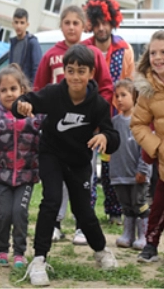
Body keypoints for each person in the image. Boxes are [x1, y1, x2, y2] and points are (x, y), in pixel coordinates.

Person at [14, 44, 119, 286]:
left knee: (83, 210)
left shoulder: (98, 105)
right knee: (51, 200)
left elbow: (113, 136)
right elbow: (23, 102)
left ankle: (101, 250)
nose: (75, 77)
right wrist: (22, 106)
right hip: (51, 154)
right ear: (64, 71)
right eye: (70, 70)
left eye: (81, 71)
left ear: (91, 73)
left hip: (79, 161)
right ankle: (39, 260)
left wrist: (104, 137)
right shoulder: (53, 94)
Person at [33, 5, 114, 245]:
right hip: (57, 130)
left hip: (84, 131)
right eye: (66, 22)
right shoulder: (50, 55)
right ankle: (56, 223)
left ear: (84, 26)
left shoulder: (94, 54)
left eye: (75, 23)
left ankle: (81, 225)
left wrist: (99, 120)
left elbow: (106, 88)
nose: (71, 27)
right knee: (55, 182)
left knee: (83, 178)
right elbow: (39, 89)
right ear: (61, 26)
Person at [82, 0, 133, 225]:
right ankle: (86, 210)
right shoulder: (84, 50)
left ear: (113, 22)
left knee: (112, 164)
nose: (102, 27)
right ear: (92, 23)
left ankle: (114, 211)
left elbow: (130, 84)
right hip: (90, 118)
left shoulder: (124, 49)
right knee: (88, 166)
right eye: (97, 22)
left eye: (106, 22)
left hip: (115, 117)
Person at [0, 64, 41, 269]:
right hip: (2, 176)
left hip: (26, 177)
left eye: (13, 89)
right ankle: (2, 250)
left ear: (23, 90)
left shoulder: (34, 115)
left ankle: (19, 252)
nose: (9, 94)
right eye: (3, 90)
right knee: (3, 214)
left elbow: (48, 133)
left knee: (19, 213)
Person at [131, 30, 164, 263]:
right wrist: (157, 147)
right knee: (159, 206)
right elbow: (138, 124)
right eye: (153, 52)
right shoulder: (147, 89)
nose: (158, 57)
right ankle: (150, 245)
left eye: (163, 52)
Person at [110, 78, 151, 250]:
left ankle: (144, 235)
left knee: (139, 202)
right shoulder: (114, 122)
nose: (119, 99)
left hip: (138, 175)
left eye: (123, 95)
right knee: (126, 205)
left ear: (134, 96)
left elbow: (147, 147)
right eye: (116, 95)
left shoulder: (141, 121)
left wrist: (143, 169)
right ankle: (128, 234)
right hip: (120, 174)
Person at [8, 8, 41, 84]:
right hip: (14, 86)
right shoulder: (13, 43)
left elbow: (37, 68)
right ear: (12, 24)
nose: (18, 26)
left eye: (22, 23)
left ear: (27, 24)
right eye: (16, 22)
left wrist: (31, 90)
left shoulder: (32, 42)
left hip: (26, 88)